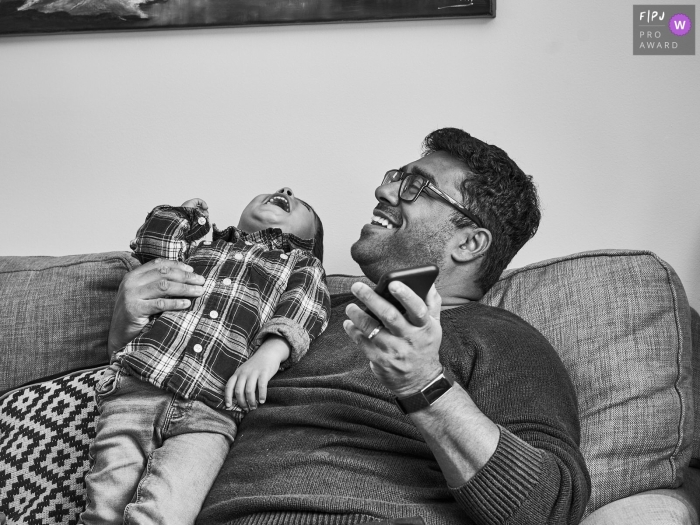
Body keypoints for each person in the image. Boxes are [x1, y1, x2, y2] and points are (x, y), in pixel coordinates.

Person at [107, 128, 591, 525]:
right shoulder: (295, 310)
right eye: (395, 177)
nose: (383, 191)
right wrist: (125, 327)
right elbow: (167, 397)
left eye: (415, 186)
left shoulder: (502, 337)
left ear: (468, 243)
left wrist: (424, 383)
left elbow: (550, 508)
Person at [81, 189, 331, 524]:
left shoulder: (300, 264)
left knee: (166, 510)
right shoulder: (201, 245)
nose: (285, 190)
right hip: (136, 389)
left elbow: (307, 307)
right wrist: (186, 215)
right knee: (106, 502)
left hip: (212, 411)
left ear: (311, 239)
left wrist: (271, 353)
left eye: (304, 205)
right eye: (275, 189)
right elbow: (153, 246)